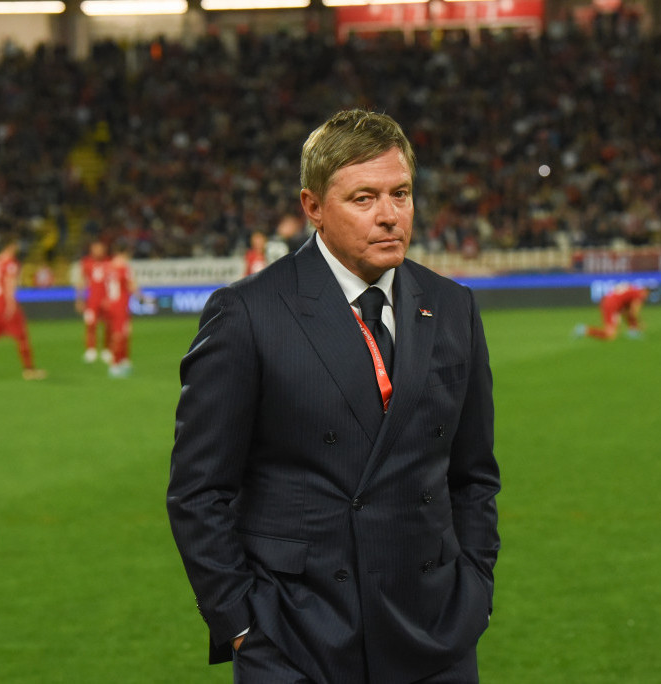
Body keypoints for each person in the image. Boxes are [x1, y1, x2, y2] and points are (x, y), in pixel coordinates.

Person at [167, 109, 500, 684]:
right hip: (298, 637)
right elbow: (199, 490)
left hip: (436, 633)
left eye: (401, 194)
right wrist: (240, 624)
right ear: (313, 206)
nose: (389, 215)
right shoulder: (248, 313)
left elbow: (473, 476)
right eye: (363, 198)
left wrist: (475, 590)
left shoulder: (452, 307)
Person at [0, 238, 46, 381]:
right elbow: (9, 284)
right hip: (4, 303)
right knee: (22, 337)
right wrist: (11, 305)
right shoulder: (11, 263)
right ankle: (29, 370)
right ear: (10, 247)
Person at [104, 241, 139, 378]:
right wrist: (142, 296)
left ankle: (123, 360)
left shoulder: (108, 267)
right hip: (120, 305)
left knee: (120, 331)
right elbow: (132, 286)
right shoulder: (124, 268)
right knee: (120, 333)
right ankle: (115, 364)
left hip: (110, 304)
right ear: (124, 253)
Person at [74, 239, 112, 363]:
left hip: (107, 300)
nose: (98, 251)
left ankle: (107, 350)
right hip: (92, 301)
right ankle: (91, 350)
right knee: (90, 325)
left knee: (108, 325)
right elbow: (81, 281)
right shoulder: (86, 262)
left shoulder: (109, 262)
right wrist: (79, 299)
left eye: (100, 248)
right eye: (95, 248)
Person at [575, 282, 649, 340]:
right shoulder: (639, 294)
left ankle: (633, 331)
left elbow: (627, 312)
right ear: (645, 291)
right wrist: (639, 323)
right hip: (612, 305)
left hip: (609, 301)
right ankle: (584, 330)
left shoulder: (632, 289)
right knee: (610, 334)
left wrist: (634, 325)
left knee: (625, 314)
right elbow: (633, 312)